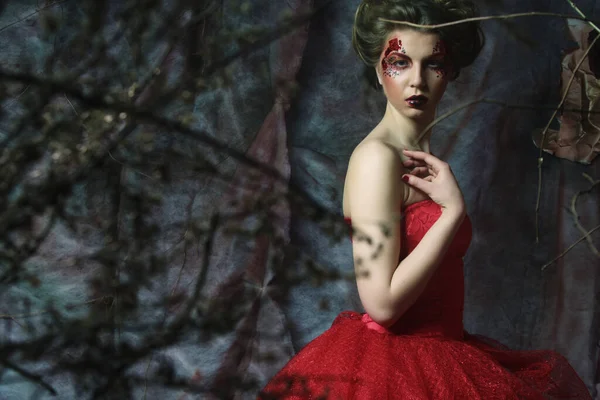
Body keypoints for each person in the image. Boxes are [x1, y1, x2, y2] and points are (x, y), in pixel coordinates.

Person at [259, 0, 592, 398]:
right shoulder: (376, 160)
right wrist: (451, 214)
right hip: (393, 368)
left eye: (432, 64)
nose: (417, 80)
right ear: (379, 70)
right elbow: (381, 304)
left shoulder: (419, 159)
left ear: (449, 71)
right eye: (399, 61)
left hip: (448, 353)